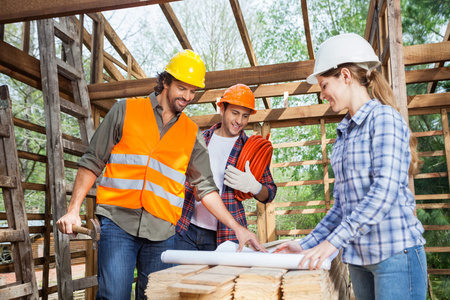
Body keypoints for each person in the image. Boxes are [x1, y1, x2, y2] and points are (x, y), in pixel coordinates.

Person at [56, 50, 266, 300]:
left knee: (154, 296)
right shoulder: (125, 111)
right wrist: (73, 208)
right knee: (114, 296)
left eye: (192, 91)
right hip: (118, 222)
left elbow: (206, 188)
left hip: (163, 231)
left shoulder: (191, 133)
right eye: (181, 88)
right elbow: (92, 161)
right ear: (165, 81)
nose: (187, 96)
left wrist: (237, 228)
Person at [274, 33, 427, 299]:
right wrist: (306, 244)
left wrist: (332, 242)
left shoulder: (384, 119)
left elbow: (384, 192)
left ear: (345, 76)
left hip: (396, 256)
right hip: (359, 259)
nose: (323, 95)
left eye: (323, 85)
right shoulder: (344, 133)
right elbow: (341, 208)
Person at [175, 84, 277, 250]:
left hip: (225, 235)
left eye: (245, 116)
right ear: (222, 109)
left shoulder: (250, 150)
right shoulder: (200, 140)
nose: (239, 121)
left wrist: (255, 187)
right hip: (186, 228)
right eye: (235, 113)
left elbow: (270, 193)